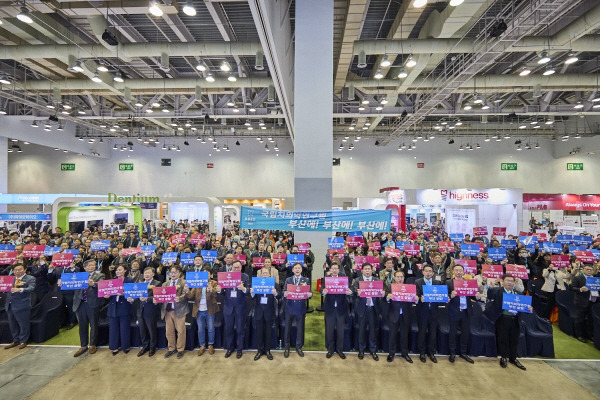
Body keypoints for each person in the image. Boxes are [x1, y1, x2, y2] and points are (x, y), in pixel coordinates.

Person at [484, 274, 532, 370]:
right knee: (503, 339)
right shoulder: (497, 291)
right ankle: (503, 357)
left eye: (511, 281)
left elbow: (523, 306)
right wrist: (491, 287)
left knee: (514, 340)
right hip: (503, 319)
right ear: (502, 281)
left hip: (515, 320)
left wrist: (529, 308)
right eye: (507, 280)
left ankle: (513, 358)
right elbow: (489, 295)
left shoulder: (518, 293)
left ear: (514, 283)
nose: (509, 283)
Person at [70, 259, 105, 357]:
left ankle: (92, 344)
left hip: (92, 303)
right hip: (80, 303)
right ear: (85, 267)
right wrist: (62, 284)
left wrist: (94, 284)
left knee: (94, 325)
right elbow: (70, 284)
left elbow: (102, 285)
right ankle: (83, 345)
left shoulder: (99, 275)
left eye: (93, 265)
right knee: (82, 326)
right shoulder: (79, 276)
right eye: (89, 265)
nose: (91, 267)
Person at [217, 260, 250, 359]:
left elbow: (248, 291)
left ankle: (239, 349)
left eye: (238, 267)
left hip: (240, 307)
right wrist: (219, 291)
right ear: (231, 268)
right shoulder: (226, 276)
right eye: (234, 267)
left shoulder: (245, 277)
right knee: (229, 329)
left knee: (240, 330)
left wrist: (243, 289)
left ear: (241, 268)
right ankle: (229, 348)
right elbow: (222, 292)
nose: (236, 269)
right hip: (228, 307)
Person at [447, 264, 479, 363]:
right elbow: (445, 297)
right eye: (456, 270)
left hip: (466, 311)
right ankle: (452, 353)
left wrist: (476, 296)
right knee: (452, 332)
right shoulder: (448, 282)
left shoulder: (469, 283)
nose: (458, 272)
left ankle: (463, 353)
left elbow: (473, 297)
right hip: (454, 311)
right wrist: (451, 295)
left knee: (465, 333)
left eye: (460, 270)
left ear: (464, 272)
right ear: (453, 272)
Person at [351, 263, 383, 361]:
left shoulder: (377, 280)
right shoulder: (357, 280)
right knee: (361, 330)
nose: (368, 271)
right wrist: (357, 291)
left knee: (373, 330)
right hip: (362, 308)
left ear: (372, 270)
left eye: (369, 269)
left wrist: (382, 293)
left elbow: (382, 291)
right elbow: (353, 289)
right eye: (366, 269)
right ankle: (361, 350)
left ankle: (373, 350)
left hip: (373, 308)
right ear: (362, 270)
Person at [321, 262, 352, 359]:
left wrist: (349, 292)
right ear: (330, 270)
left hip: (341, 308)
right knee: (329, 330)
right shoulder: (326, 279)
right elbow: (321, 290)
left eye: (336, 268)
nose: (334, 270)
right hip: (330, 308)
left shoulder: (344, 279)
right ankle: (330, 349)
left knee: (340, 331)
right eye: (332, 268)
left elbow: (349, 290)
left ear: (339, 270)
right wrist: (323, 292)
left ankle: (339, 350)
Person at [188, 266, 218, 356]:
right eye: (203, 274)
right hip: (199, 310)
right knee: (200, 329)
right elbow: (190, 296)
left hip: (210, 309)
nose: (205, 275)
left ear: (210, 275)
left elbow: (217, 293)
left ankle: (211, 344)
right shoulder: (197, 283)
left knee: (211, 328)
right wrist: (186, 291)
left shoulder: (214, 283)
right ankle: (202, 345)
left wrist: (211, 289)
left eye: (207, 274)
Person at [160, 265, 190, 359]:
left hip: (180, 310)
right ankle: (171, 348)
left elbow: (186, 295)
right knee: (169, 332)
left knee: (181, 331)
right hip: (167, 310)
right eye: (171, 272)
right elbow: (161, 296)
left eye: (175, 272)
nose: (172, 274)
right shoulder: (165, 284)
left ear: (179, 273)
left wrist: (179, 298)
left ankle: (180, 349)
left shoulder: (184, 282)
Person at [415, 264, 443, 363]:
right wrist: (419, 298)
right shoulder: (418, 282)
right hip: (422, 311)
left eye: (430, 271)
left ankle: (431, 352)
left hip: (434, 311)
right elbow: (415, 295)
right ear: (423, 272)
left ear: (433, 273)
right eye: (426, 271)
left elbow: (440, 297)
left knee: (433, 333)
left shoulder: (437, 283)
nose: (428, 273)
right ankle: (422, 352)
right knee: (422, 332)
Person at [283, 263, 312, 358]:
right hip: (289, 307)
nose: (297, 269)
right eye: (295, 268)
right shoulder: (288, 280)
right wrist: (285, 293)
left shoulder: (306, 280)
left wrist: (309, 295)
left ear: (301, 270)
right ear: (292, 270)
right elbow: (283, 291)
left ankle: (298, 347)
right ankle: (286, 347)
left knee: (300, 329)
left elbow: (309, 292)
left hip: (300, 308)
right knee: (287, 328)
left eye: (299, 268)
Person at [4, 264, 36, 349]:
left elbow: (31, 288)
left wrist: (20, 289)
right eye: (15, 270)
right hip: (10, 305)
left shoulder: (30, 278)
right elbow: (5, 288)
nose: (17, 272)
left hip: (22, 305)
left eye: (19, 270)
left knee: (23, 324)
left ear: (25, 270)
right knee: (13, 324)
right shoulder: (10, 278)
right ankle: (16, 340)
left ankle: (23, 341)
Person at [251, 267, 280, 361]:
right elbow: (252, 297)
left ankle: (267, 350)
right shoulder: (255, 284)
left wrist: (275, 294)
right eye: (263, 273)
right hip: (259, 311)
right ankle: (260, 350)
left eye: (266, 273)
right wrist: (252, 293)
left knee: (268, 332)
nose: (265, 274)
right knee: (259, 332)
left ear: (269, 274)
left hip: (269, 311)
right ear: (260, 274)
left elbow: (280, 295)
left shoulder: (274, 284)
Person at [385, 270, 413, 363]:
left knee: (404, 335)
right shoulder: (390, 287)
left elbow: (414, 299)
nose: (400, 279)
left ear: (404, 278)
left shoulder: (409, 287)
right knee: (392, 334)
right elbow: (385, 300)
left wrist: (416, 299)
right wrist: (388, 298)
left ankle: (405, 353)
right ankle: (391, 354)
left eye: (401, 277)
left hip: (405, 314)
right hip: (394, 314)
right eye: (398, 277)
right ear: (394, 278)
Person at [105, 265, 134, 355]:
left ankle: (125, 346)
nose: (117, 271)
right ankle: (114, 347)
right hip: (113, 306)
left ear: (125, 270)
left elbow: (132, 293)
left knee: (124, 328)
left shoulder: (129, 280)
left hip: (124, 306)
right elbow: (107, 295)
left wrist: (123, 294)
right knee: (113, 328)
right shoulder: (112, 281)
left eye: (120, 270)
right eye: (116, 270)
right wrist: (107, 296)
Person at [136, 267, 160, 357]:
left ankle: (152, 348)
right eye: (145, 273)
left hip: (150, 310)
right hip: (140, 310)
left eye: (148, 273)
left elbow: (158, 296)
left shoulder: (157, 283)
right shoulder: (140, 284)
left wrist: (148, 299)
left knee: (151, 330)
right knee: (142, 330)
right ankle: (145, 346)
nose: (146, 274)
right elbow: (135, 295)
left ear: (153, 274)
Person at [571, 264, 598, 343]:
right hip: (581, 302)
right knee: (580, 319)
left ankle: (590, 335)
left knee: (591, 320)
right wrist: (581, 289)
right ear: (583, 269)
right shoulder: (578, 278)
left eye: (591, 270)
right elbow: (572, 288)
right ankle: (579, 335)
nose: (589, 271)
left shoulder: (596, 279)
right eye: (587, 269)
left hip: (593, 301)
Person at [49, 260, 80, 330]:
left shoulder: (75, 268)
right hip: (59, 291)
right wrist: (50, 270)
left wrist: (72, 269)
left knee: (70, 307)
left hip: (69, 291)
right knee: (61, 307)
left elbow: (78, 277)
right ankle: (62, 322)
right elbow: (51, 279)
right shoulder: (58, 269)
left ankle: (72, 322)